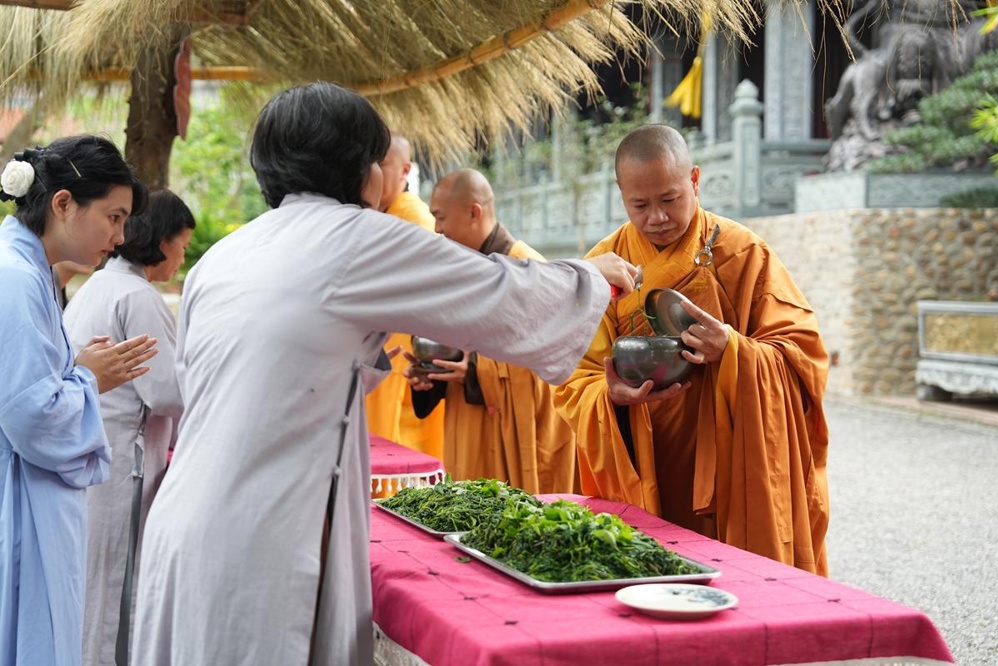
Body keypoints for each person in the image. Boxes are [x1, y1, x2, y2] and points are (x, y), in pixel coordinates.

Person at [131, 82, 637, 666]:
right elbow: (495, 289)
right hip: (260, 536)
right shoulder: (354, 238)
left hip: (182, 522)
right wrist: (590, 277)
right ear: (359, 169)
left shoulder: (226, 254)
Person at [553, 124, 831, 575]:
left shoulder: (742, 253)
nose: (657, 217)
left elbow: (802, 354)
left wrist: (733, 349)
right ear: (621, 194)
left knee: (737, 579)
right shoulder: (605, 264)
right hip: (645, 460)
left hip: (733, 463)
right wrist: (609, 395)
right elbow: (572, 378)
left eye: (670, 199)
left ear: (695, 180)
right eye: (640, 205)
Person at [0, 135, 157, 666]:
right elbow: (30, 415)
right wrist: (90, 379)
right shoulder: (15, 277)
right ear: (63, 203)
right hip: (19, 500)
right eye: (113, 217)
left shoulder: (31, 271)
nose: (120, 236)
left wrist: (76, 370)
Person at [63, 189, 194, 666]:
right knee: (115, 587)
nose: (182, 258)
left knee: (93, 583)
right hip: (123, 463)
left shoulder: (99, 284)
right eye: (182, 245)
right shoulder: (138, 297)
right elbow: (167, 394)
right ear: (160, 240)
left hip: (92, 454)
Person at [405, 168, 578, 494]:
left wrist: (474, 370)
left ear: (474, 212)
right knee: (467, 515)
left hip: (520, 437)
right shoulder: (457, 274)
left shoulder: (529, 269)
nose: (437, 229)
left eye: (440, 218)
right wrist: (432, 374)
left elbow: (556, 366)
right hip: (468, 430)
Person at [365, 132, 445, 461]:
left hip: (404, 357)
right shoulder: (378, 216)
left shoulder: (415, 219)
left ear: (405, 170)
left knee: (401, 453)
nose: (372, 171)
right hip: (378, 352)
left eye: (382, 163)